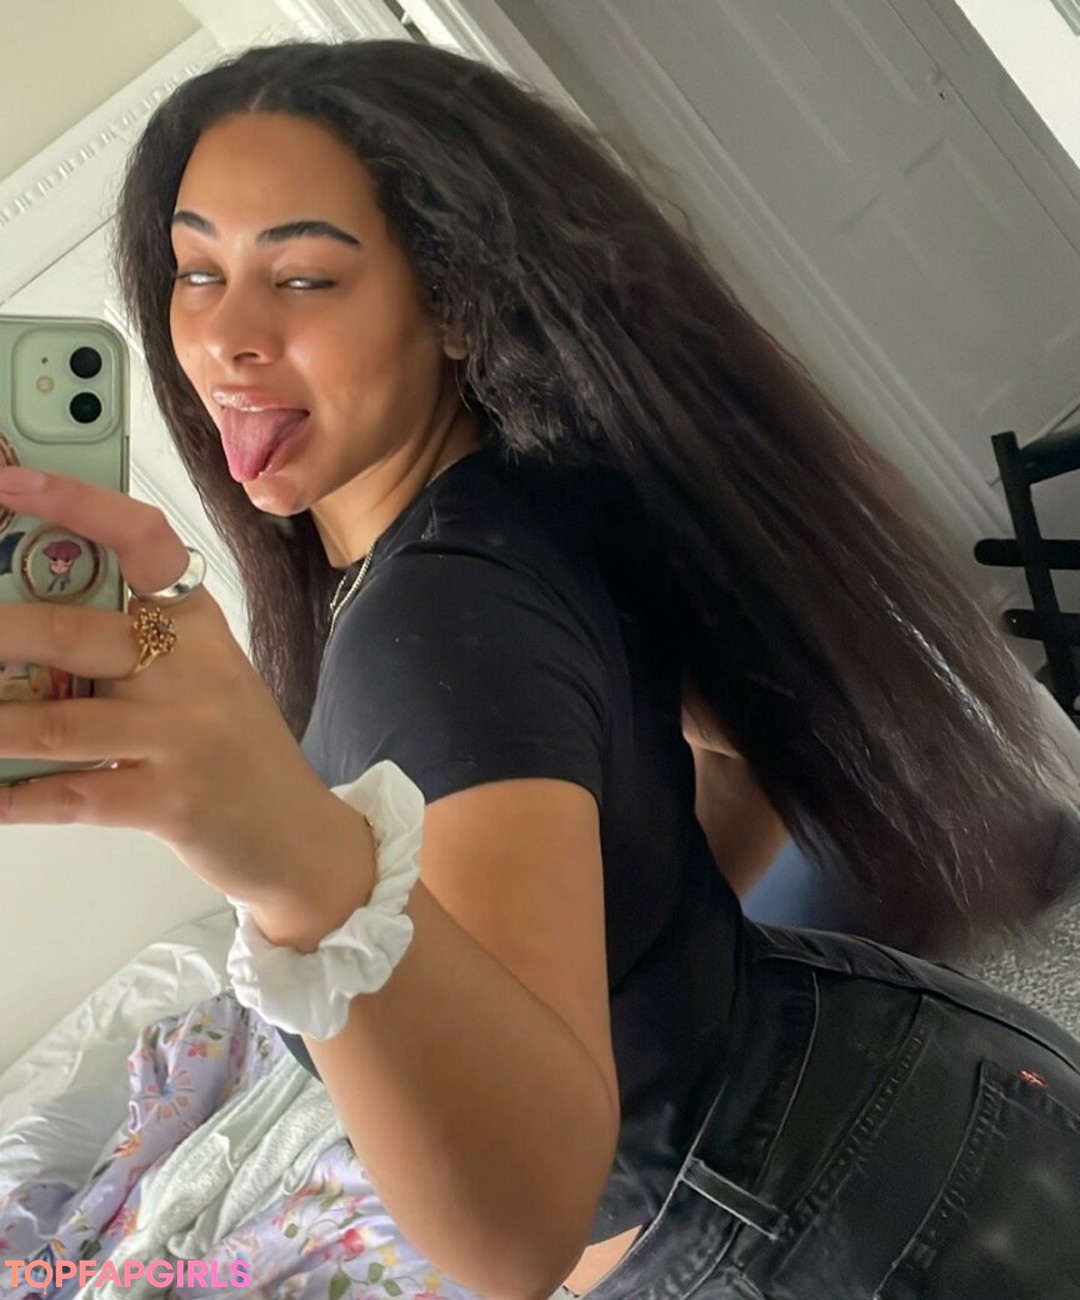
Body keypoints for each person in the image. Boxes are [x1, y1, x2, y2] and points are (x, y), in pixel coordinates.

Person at [0, 37, 1077, 1300]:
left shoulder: (428, 626)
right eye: (197, 271)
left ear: (452, 305)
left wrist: (301, 871)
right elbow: (741, 755)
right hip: (888, 1096)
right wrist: (613, 961)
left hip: (813, 1225)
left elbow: (520, 1240)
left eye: (301, 277)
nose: (227, 335)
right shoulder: (521, 495)